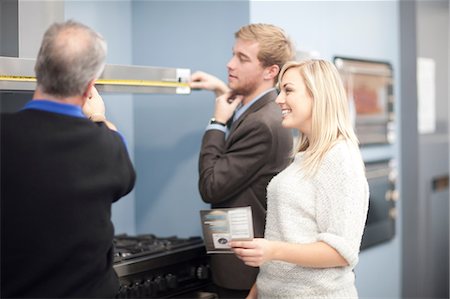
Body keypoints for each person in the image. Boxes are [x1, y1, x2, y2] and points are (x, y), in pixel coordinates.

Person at [0, 20, 136, 298]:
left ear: (39, 69)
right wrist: (98, 115)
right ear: (90, 86)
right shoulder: (108, 146)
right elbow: (118, 159)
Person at [230, 59, 370, 299]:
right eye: (279, 90)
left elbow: (341, 252)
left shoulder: (340, 157)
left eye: (288, 90)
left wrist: (272, 251)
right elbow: (284, 234)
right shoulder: (304, 155)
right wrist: (257, 291)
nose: (278, 99)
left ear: (317, 95)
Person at [190, 23, 295, 298]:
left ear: (271, 71)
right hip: (238, 266)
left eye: (242, 59)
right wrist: (222, 91)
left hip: (244, 275)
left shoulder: (262, 124)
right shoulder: (259, 111)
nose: (230, 64)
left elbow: (211, 186)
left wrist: (216, 122)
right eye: (233, 54)